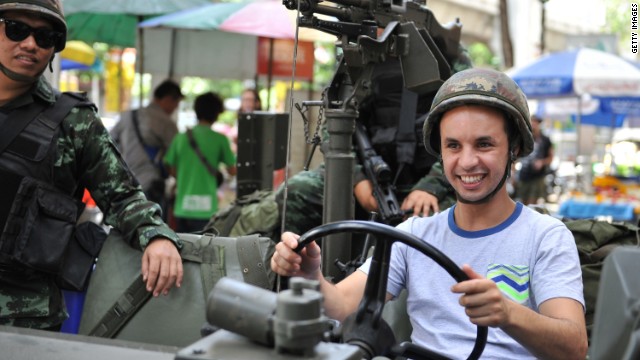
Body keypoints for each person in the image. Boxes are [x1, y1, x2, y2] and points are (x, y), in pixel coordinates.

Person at [271, 68, 588, 359]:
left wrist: (508, 313)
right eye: (453, 146)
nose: (466, 162)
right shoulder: (413, 234)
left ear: (514, 148)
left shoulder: (545, 236)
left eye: (484, 144)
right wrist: (309, 275)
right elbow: (342, 306)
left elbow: (574, 347)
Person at [0, 0, 183, 331]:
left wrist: (156, 236)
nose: (30, 44)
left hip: (23, 316)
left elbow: (124, 197)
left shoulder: (73, 122)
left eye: (46, 36)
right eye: (16, 29)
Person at [164, 92, 237, 233]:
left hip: (182, 207)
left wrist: (183, 176)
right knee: (202, 252)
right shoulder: (220, 139)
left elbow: (168, 165)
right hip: (206, 210)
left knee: (181, 250)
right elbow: (232, 170)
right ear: (217, 113)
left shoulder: (181, 138)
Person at [110, 79, 184, 216]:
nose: (175, 108)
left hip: (124, 183)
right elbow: (176, 157)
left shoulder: (128, 115)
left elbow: (110, 141)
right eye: (176, 103)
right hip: (150, 184)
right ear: (168, 99)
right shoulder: (167, 123)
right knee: (151, 232)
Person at [515, 115, 554, 205]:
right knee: (521, 201)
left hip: (537, 176)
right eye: (532, 121)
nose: (534, 124)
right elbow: (516, 156)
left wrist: (542, 162)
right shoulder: (523, 138)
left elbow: (551, 157)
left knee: (532, 203)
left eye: (536, 122)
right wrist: (513, 173)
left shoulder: (545, 140)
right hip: (523, 174)